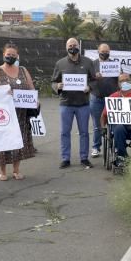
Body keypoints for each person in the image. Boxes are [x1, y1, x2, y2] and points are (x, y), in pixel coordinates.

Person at [0, 42, 35, 181]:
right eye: (8, 55)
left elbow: (31, 88)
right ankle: (2, 170)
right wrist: (3, 92)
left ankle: (16, 169)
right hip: (3, 114)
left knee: (18, 141)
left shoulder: (23, 70)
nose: (11, 57)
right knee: (4, 141)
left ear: (17, 56)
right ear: (3, 55)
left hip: (21, 113)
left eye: (13, 55)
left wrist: (35, 99)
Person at [51, 37, 97, 169]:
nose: (72, 47)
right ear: (66, 48)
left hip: (83, 104)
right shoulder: (60, 64)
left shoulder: (88, 62)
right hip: (66, 104)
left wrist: (90, 87)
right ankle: (65, 158)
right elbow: (53, 82)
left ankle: (84, 158)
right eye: (70, 45)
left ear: (79, 46)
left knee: (84, 132)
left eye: (75, 45)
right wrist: (57, 86)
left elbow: (94, 80)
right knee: (65, 132)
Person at [101, 73, 131, 166]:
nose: (124, 82)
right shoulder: (113, 97)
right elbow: (104, 115)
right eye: (122, 81)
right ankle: (121, 156)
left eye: (127, 80)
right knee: (118, 128)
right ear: (118, 84)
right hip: (120, 126)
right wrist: (103, 128)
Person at [89, 43, 118, 158]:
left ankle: (114, 146)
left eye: (107, 51)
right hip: (96, 98)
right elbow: (87, 80)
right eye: (103, 51)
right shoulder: (92, 64)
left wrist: (120, 75)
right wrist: (94, 77)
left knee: (113, 124)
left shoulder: (114, 64)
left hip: (111, 99)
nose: (105, 53)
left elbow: (119, 80)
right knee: (97, 125)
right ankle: (96, 147)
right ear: (98, 51)